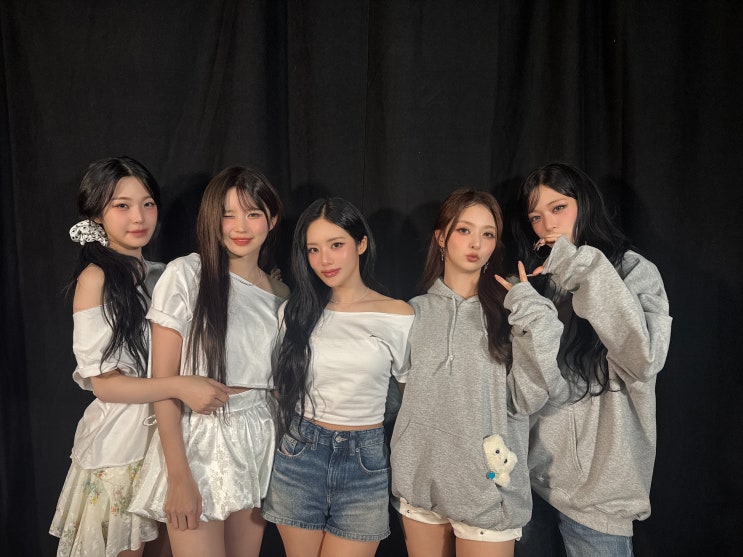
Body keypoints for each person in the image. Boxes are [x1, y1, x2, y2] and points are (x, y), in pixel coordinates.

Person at [49, 156, 232, 557]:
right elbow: (105, 385)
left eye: (147, 204)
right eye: (122, 205)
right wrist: (180, 386)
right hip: (123, 450)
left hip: (174, 444)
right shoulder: (96, 278)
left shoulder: (167, 274)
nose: (139, 216)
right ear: (96, 215)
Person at [390, 189, 564, 557]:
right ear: (441, 237)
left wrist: (532, 310)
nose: (476, 244)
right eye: (464, 230)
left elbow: (529, 398)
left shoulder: (512, 311)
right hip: (420, 485)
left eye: (488, 234)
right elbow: (399, 397)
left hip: (488, 490)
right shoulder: (411, 312)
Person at [510, 163, 672, 556]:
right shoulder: (539, 281)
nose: (547, 224)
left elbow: (643, 359)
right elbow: (534, 386)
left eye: (558, 208)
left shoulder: (633, 270)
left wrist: (581, 266)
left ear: (583, 204)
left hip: (599, 500)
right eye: (536, 216)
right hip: (531, 483)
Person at [128, 167, 289, 557]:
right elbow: (163, 383)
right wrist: (179, 477)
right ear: (212, 220)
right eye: (227, 215)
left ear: (271, 220)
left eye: (253, 214)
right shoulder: (186, 274)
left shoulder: (282, 293)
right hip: (198, 439)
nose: (240, 227)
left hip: (258, 435)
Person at [262, 197, 415, 557]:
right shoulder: (295, 312)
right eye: (313, 249)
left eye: (336, 245)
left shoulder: (397, 315)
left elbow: (411, 401)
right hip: (300, 453)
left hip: (365, 460)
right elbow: (278, 389)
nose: (325, 260)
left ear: (361, 244)